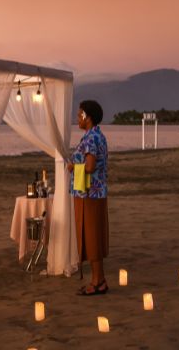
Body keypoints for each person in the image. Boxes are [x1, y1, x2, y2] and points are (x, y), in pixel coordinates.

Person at [67, 100, 110, 296]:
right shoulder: (96, 135)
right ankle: (99, 280)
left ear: (88, 117)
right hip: (94, 193)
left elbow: (90, 167)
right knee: (94, 236)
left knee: (92, 237)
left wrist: (72, 167)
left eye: (80, 115)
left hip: (90, 194)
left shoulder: (92, 138)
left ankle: (97, 281)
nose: (78, 118)